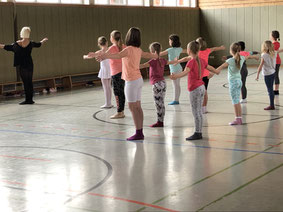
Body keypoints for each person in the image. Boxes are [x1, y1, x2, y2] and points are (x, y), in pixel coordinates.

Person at [97, 27, 157, 141]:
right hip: (138, 80)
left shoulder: (128, 49)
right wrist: (155, 55)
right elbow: (146, 54)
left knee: (132, 107)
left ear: (129, 36)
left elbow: (118, 55)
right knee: (138, 107)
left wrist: (105, 55)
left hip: (132, 81)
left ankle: (138, 132)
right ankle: (140, 132)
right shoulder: (137, 49)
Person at [170, 41, 218, 140]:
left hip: (195, 89)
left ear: (189, 50)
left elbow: (185, 72)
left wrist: (175, 76)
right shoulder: (201, 60)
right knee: (199, 111)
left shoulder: (191, 62)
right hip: (201, 87)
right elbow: (210, 68)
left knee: (195, 111)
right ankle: (199, 131)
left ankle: (197, 132)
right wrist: (216, 71)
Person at [176, 37, 225, 113]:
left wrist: (177, 61)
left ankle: (198, 106)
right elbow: (214, 48)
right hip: (205, 74)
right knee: (204, 91)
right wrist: (221, 47)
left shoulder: (196, 54)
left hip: (198, 75)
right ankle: (204, 107)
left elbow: (186, 58)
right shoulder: (207, 50)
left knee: (197, 92)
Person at [0, 26, 48, 104]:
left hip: (23, 66)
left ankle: (27, 100)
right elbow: (39, 44)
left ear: (22, 33)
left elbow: (5, 47)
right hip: (30, 64)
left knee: (26, 82)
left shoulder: (17, 44)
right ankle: (30, 99)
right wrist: (43, 40)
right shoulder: (31, 43)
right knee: (29, 82)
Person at [216, 43, 258, 125]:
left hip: (233, 83)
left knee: (235, 101)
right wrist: (255, 57)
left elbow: (220, 67)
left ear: (231, 51)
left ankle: (237, 119)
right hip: (239, 82)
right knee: (237, 101)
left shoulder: (230, 60)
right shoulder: (241, 58)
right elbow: (248, 56)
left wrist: (211, 73)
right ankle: (239, 118)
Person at [140, 42, 176, 127]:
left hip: (157, 84)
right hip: (163, 83)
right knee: (161, 103)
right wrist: (175, 61)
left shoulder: (153, 61)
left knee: (158, 104)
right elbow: (170, 62)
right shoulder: (162, 60)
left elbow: (143, 65)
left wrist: (132, 66)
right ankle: (161, 121)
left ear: (153, 51)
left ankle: (160, 122)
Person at [84, 36, 113, 109]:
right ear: (106, 42)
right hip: (110, 70)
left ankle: (107, 103)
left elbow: (90, 56)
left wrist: (84, 56)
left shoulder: (100, 52)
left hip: (104, 70)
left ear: (99, 44)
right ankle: (109, 102)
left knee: (106, 87)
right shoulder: (110, 50)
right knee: (109, 87)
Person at [255, 40, 283, 110]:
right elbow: (281, 50)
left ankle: (272, 105)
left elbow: (260, 65)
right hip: (273, 72)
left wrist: (257, 74)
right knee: (270, 89)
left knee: (269, 90)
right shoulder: (274, 53)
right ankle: (272, 104)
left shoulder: (264, 55)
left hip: (267, 74)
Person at [160, 34, 186, 105]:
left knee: (175, 85)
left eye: (169, 40)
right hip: (179, 68)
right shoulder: (179, 49)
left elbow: (160, 54)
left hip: (174, 69)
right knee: (177, 85)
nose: (169, 41)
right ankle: (176, 99)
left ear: (172, 41)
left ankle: (176, 100)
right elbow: (187, 51)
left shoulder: (170, 50)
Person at [106, 30, 126, 118]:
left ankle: (119, 112)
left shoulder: (112, 48)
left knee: (117, 92)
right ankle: (121, 111)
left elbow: (104, 55)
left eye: (110, 36)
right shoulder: (124, 46)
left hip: (116, 73)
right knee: (121, 92)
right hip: (123, 72)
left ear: (112, 38)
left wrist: (94, 55)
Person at [270, 30, 281, 95]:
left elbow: (272, 52)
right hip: (275, 61)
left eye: (270, 35)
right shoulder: (275, 43)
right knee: (274, 75)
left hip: (276, 61)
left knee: (275, 75)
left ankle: (276, 90)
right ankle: (275, 89)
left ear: (273, 36)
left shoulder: (274, 44)